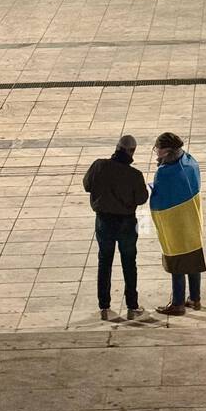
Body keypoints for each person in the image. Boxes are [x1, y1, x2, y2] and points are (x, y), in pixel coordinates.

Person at [83, 134, 149, 321]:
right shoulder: (134, 175)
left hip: (103, 221)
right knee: (129, 262)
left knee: (104, 261)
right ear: (132, 151)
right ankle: (132, 305)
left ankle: (104, 305)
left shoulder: (98, 165)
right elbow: (142, 198)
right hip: (126, 223)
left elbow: (87, 186)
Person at [150, 132, 206, 316]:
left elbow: (158, 199)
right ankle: (195, 299)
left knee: (177, 263)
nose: (156, 153)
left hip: (176, 224)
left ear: (166, 151)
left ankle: (178, 303)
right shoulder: (190, 161)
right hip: (193, 220)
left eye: (157, 149)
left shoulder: (165, 173)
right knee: (193, 259)